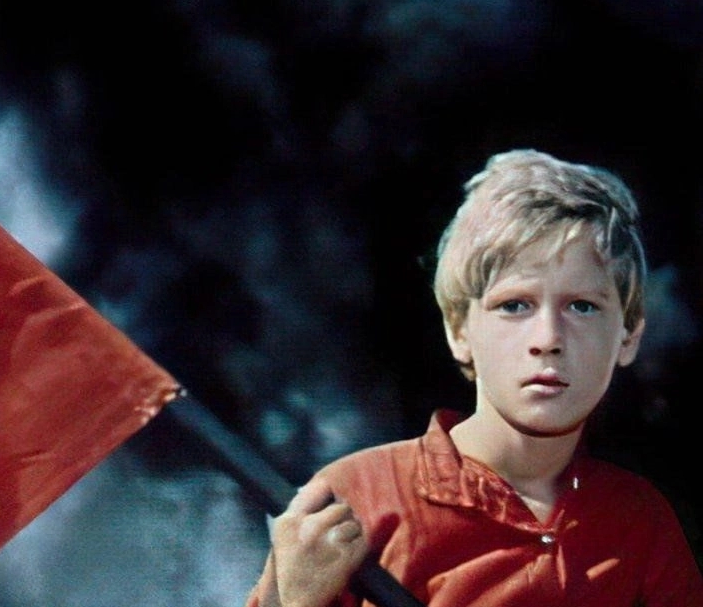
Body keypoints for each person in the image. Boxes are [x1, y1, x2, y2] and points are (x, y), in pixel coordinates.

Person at [244, 149, 703, 607]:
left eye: (582, 306)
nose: (548, 338)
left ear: (628, 336)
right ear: (459, 330)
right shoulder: (355, 498)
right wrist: (293, 602)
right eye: (514, 305)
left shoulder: (641, 522)